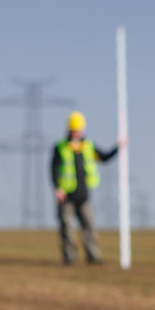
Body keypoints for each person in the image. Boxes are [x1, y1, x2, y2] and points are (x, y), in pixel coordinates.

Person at [51, 111, 118, 265]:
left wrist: (118, 146)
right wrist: (57, 189)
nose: (77, 132)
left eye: (79, 129)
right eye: (75, 129)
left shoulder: (88, 146)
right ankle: (70, 258)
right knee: (67, 228)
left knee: (89, 227)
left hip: (84, 195)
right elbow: (53, 169)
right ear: (69, 129)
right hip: (66, 195)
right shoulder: (61, 147)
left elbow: (104, 157)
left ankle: (93, 256)